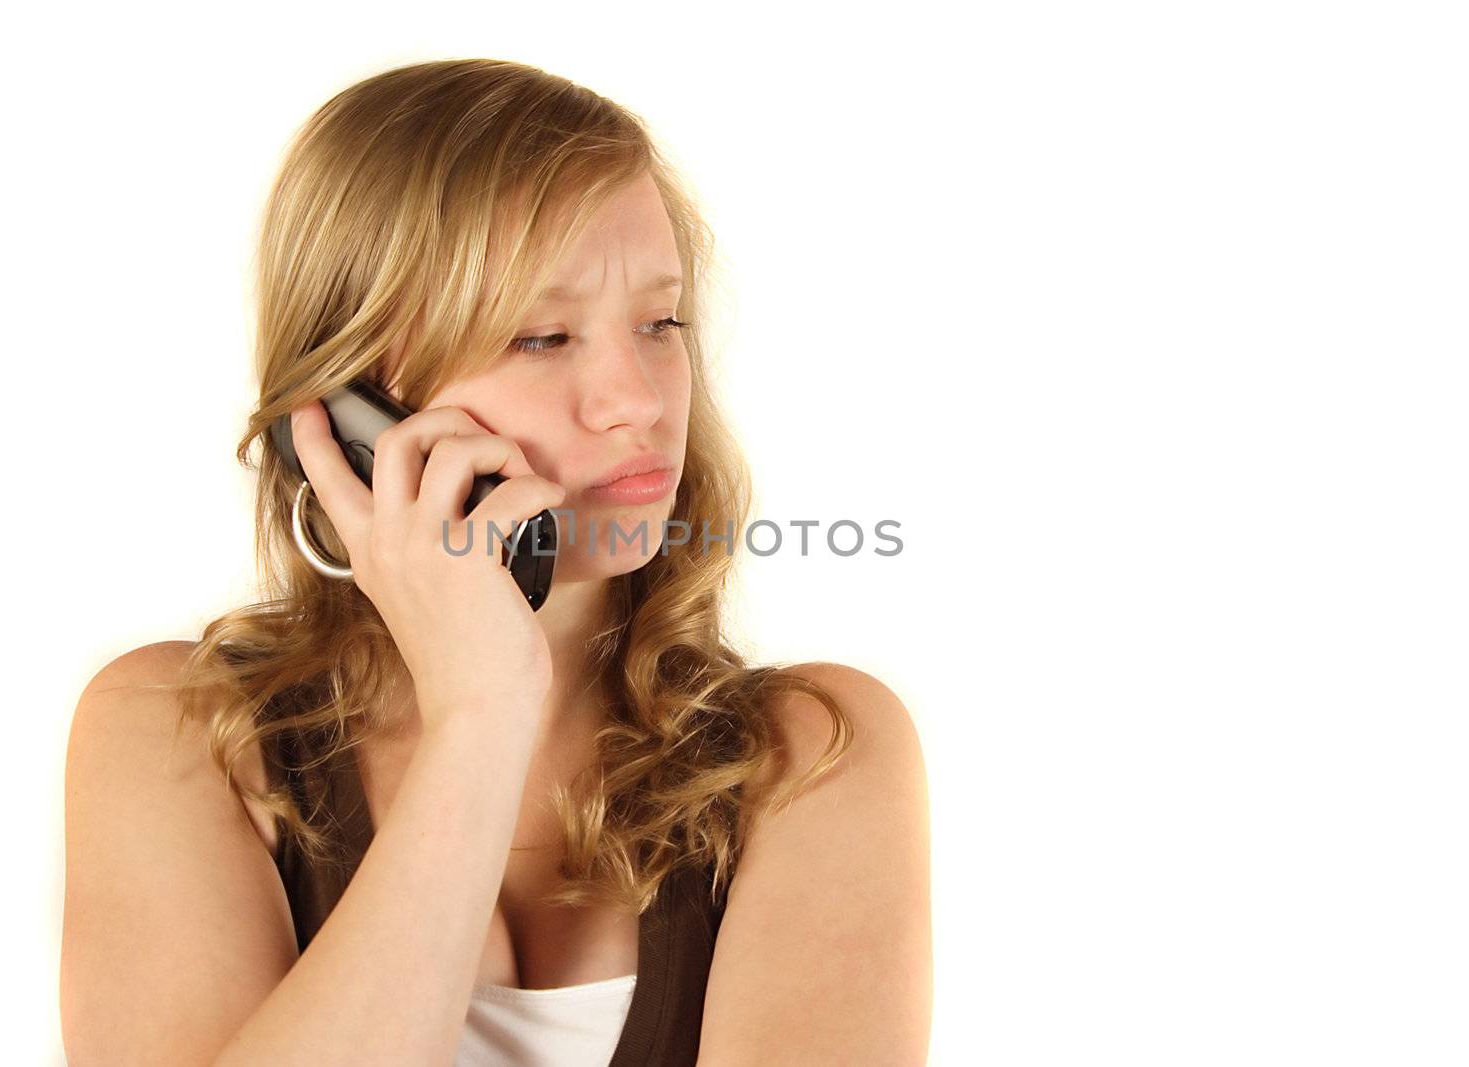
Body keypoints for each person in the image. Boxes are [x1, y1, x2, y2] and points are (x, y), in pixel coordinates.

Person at [61, 57, 931, 1066]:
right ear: (352, 410)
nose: (636, 400)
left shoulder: (812, 754)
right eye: (542, 336)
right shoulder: (173, 731)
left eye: (659, 323)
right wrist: (480, 713)